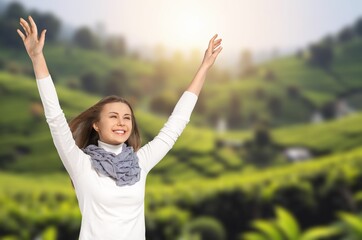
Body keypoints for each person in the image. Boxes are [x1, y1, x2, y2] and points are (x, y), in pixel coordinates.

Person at [17, 16, 222, 240]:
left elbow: (176, 124)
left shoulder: (139, 163)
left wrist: (204, 68)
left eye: (127, 117)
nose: (121, 122)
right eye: (113, 116)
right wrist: (37, 58)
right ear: (96, 125)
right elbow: (55, 117)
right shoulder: (80, 163)